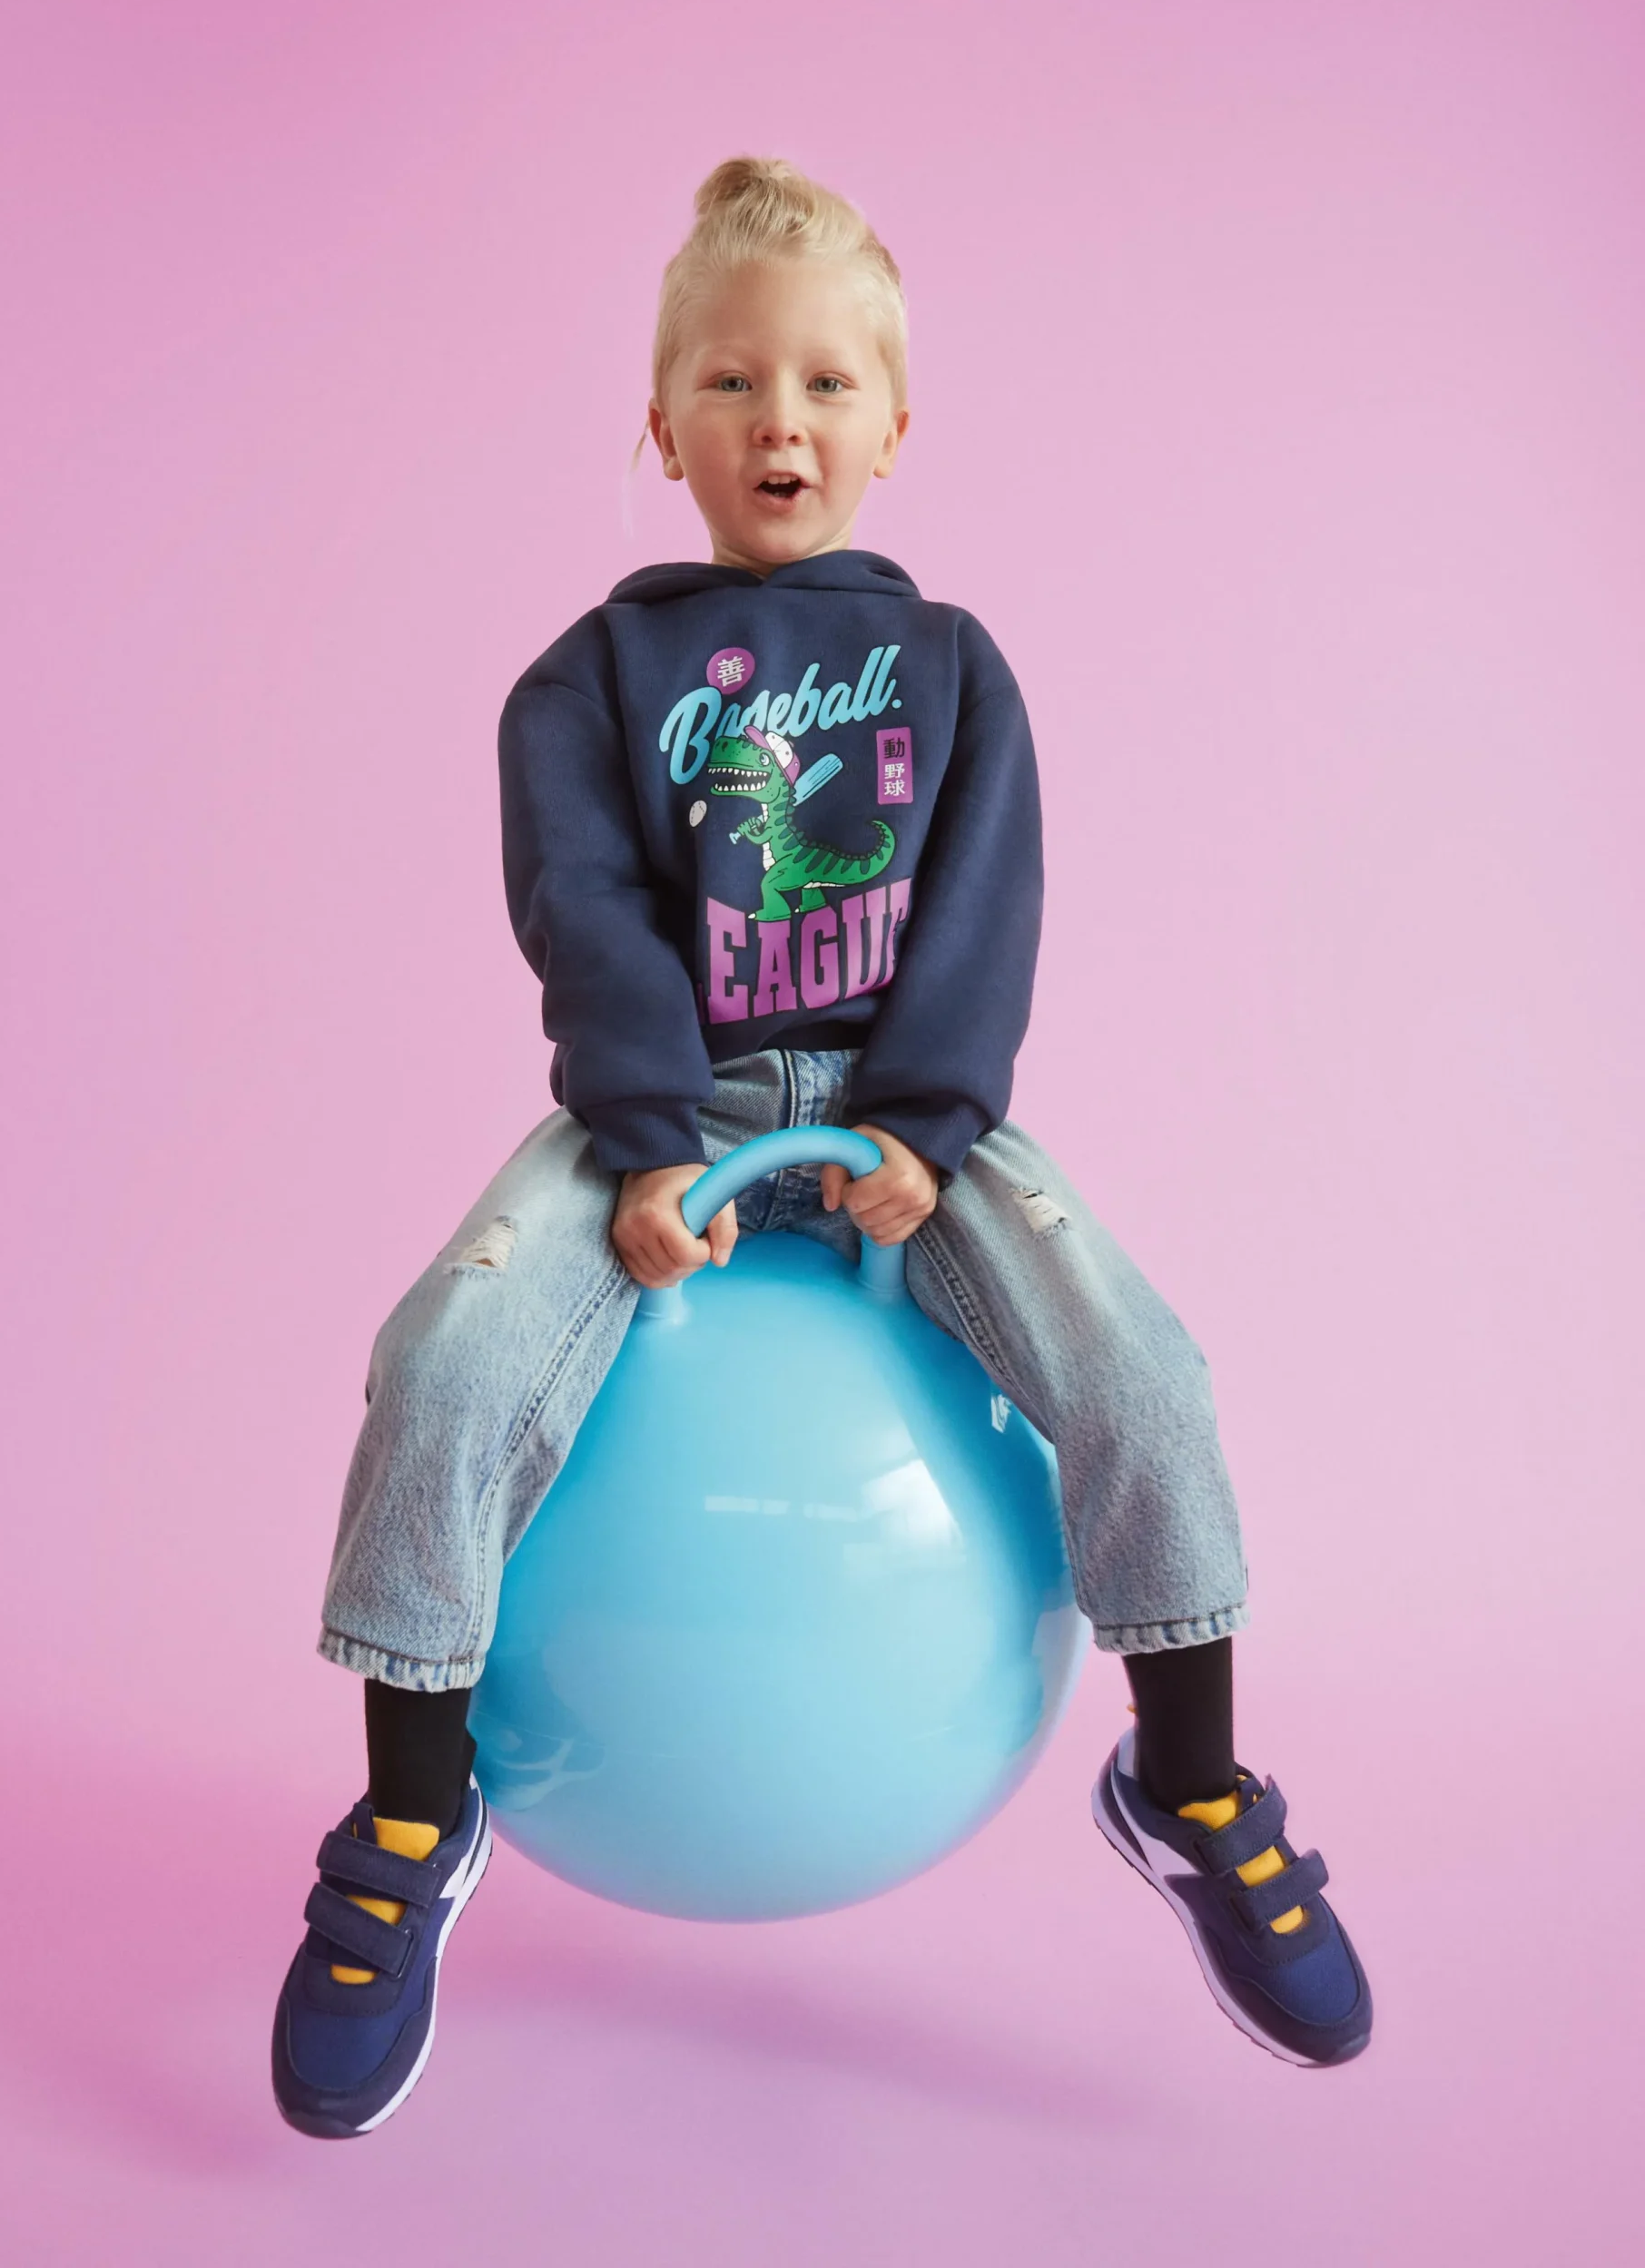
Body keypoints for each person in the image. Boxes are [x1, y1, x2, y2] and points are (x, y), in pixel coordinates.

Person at [271, 155, 1372, 2139]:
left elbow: (985, 912)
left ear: (892, 428)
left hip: (903, 1114)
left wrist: (929, 1130)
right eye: (730, 381)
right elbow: (588, 913)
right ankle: (413, 1814)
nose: (778, 419)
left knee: (1144, 1368)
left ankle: (1192, 1778)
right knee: (442, 1355)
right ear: (662, 424)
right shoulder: (584, 681)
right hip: (664, 1114)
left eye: (823, 385)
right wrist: (639, 1147)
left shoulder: (956, 667)